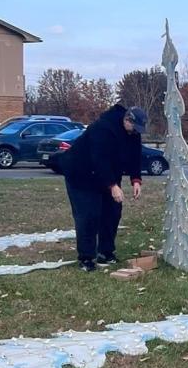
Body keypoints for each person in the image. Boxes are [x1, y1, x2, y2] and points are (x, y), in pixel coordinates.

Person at [59, 104, 146, 272]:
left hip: (107, 174)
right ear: (126, 119)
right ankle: (86, 257)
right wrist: (112, 185)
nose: (135, 132)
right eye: (134, 127)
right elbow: (100, 159)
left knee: (113, 212)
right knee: (89, 214)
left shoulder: (134, 133)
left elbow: (135, 155)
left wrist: (136, 179)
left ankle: (106, 252)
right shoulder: (102, 128)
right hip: (81, 173)